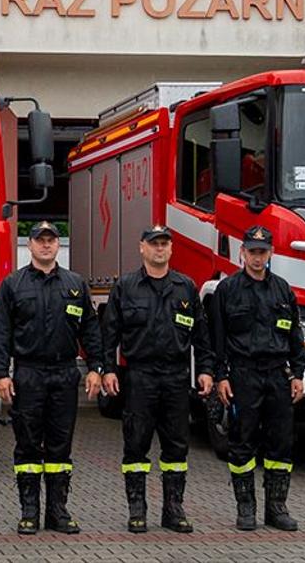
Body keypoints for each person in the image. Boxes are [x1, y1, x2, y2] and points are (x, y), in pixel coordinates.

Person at [0, 221, 104, 535]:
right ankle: (29, 512)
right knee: (27, 446)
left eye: (51, 240)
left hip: (65, 373)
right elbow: (1, 334)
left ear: (57, 245)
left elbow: (91, 331)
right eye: (40, 241)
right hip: (28, 373)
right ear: (30, 245)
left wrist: (96, 367)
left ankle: (58, 511)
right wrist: (1, 374)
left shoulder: (75, 284)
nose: (46, 245)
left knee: (60, 447)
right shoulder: (13, 285)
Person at [200, 224, 303, 532]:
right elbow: (217, 338)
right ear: (242, 253)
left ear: (271, 254)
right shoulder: (227, 290)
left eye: (263, 252)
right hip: (243, 374)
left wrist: (298, 373)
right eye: (252, 252)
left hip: (277, 374)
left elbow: (295, 335)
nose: (258, 258)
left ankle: (277, 508)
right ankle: (246, 508)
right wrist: (221, 376)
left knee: (281, 443)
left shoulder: (283, 290)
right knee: (242, 441)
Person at [100, 224, 202, 534]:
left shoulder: (185, 287)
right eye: (154, 244)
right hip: (140, 376)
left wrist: (208, 371)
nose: (160, 249)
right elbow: (109, 334)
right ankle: (137, 510)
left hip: (175, 376)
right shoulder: (126, 286)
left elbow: (203, 336)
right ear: (142, 248)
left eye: (164, 244)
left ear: (171, 249)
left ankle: (173, 510)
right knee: (136, 445)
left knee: (176, 448)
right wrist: (108, 370)